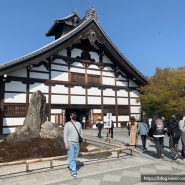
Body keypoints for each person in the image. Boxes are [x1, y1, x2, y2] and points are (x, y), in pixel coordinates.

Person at [63, 111, 82, 179]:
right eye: (73, 115)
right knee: (71, 158)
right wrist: (66, 143)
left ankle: (71, 168)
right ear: (70, 116)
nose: (74, 116)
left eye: (75, 114)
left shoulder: (79, 124)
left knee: (75, 157)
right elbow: (65, 134)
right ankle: (74, 172)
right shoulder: (67, 124)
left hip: (77, 143)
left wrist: (80, 143)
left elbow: (80, 133)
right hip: (70, 143)